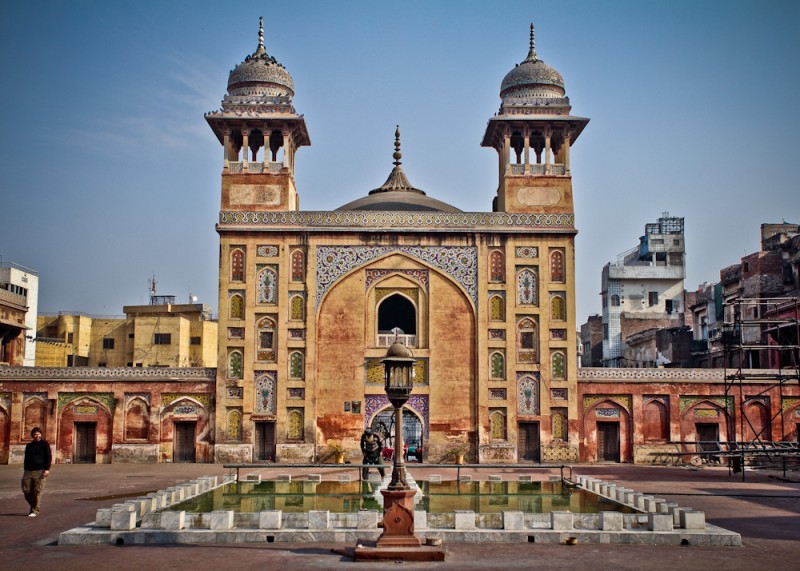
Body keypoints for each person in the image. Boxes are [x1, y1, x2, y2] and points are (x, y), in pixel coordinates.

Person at [22, 427, 51, 517]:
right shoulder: (29, 446)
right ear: (32, 435)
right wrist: (25, 468)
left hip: (40, 470)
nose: (37, 436)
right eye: (35, 434)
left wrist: (47, 469)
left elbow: (48, 457)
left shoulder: (44, 444)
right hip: (28, 470)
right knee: (26, 490)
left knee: (37, 491)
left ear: (41, 435)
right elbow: (26, 458)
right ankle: (34, 505)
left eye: (38, 434)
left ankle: (35, 510)